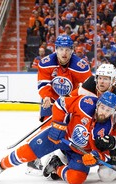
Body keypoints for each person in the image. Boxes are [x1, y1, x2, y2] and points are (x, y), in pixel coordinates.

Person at [0, 92, 116, 184]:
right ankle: (0, 166)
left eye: (108, 110)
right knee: (28, 152)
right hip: (60, 136)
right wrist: (59, 125)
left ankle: (56, 165)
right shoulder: (85, 103)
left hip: (78, 150)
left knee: (77, 179)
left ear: (113, 112)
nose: (104, 112)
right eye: (102, 107)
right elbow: (60, 104)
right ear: (98, 104)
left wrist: (94, 158)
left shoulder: (108, 126)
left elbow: (104, 154)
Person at [27, 34, 92, 172]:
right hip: (51, 99)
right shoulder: (45, 63)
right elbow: (44, 83)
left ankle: (61, 158)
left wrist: (71, 98)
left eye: (67, 49)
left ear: (72, 50)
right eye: (61, 49)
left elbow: (88, 89)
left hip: (72, 102)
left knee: (68, 132)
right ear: (55, 49)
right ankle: (33, 156)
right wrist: (45, 96)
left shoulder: (81, 66)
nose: (64, 53)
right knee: (47, 128)